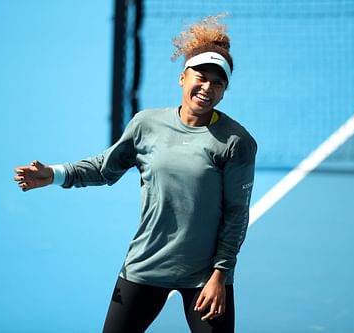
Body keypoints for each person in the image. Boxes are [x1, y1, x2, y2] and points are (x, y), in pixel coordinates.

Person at [14, 14, 256, 333]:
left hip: (204, 276)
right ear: (183, 78)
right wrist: (56, 174)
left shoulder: (236, 141)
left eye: (218, 82)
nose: (207, 87)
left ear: (224, 92)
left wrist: (220, 276)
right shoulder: (147, 125)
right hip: (146, 266)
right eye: (201, 75)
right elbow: (105, 168)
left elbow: (236, 215)